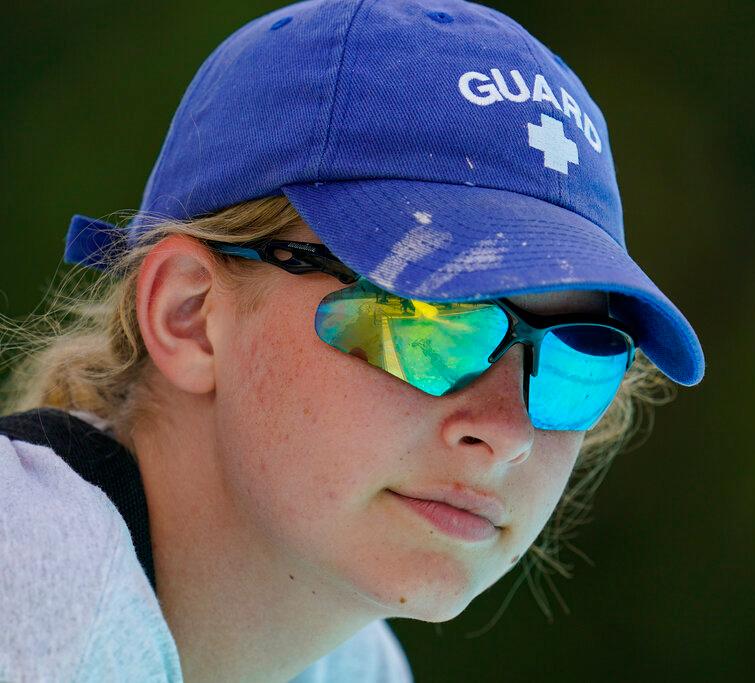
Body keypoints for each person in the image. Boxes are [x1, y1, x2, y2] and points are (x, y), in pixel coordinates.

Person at [0, 0, 705, 681]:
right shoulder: (29, 579)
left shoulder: (350, 662)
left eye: (581, 353)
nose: (506, 431)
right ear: (191, 315)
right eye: (428, 320)